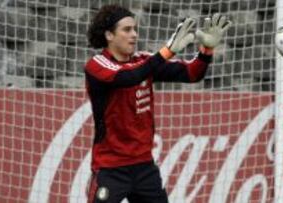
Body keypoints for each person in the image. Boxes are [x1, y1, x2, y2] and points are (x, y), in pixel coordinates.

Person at [84, 4, 230, 203]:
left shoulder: (143, 60)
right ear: (109, 35)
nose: (134, 35)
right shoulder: (97, 64)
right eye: (127, 30)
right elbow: (129, 77)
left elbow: (192, 73)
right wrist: (166, 52)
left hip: (144, 167)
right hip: (110, 168)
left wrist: (206, 50)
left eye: (135, 29)